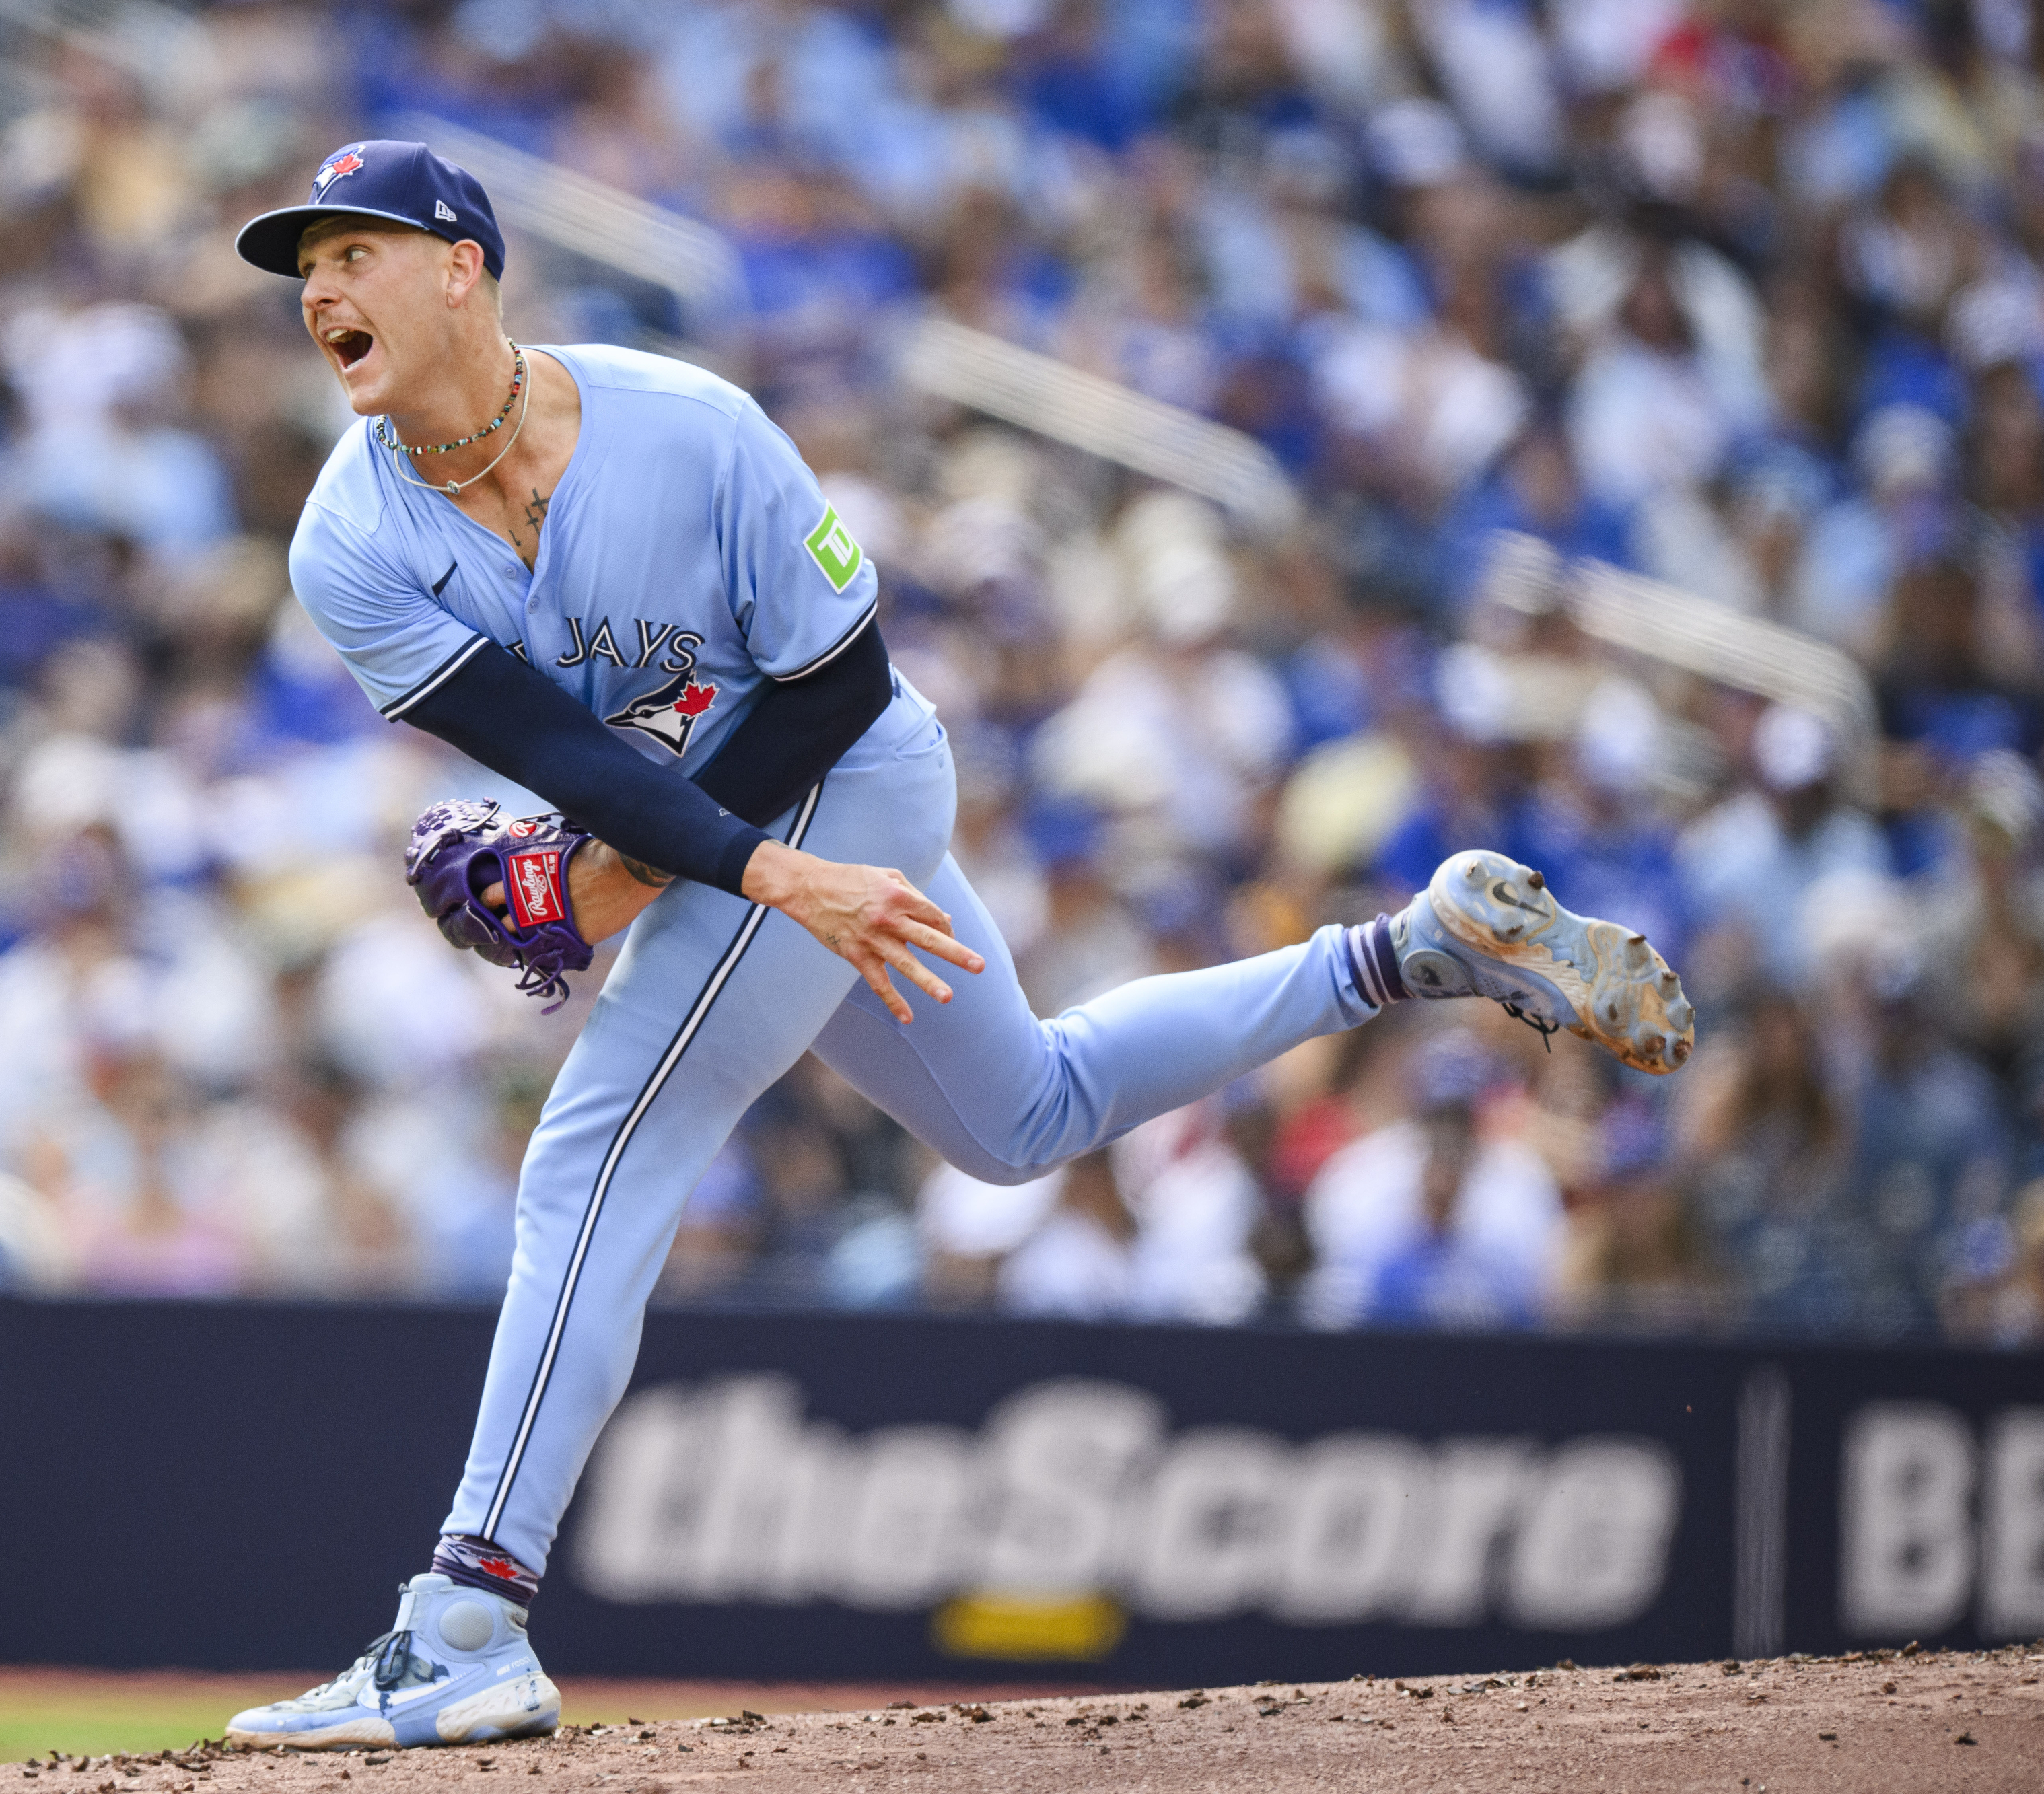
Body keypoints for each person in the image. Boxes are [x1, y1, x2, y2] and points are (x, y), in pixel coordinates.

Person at [217, 141, 1695, 1752]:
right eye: (302, 269)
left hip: (856, 772)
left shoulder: (689, 425)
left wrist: (746, 872)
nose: (317, 289)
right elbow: (569, 765)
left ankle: (465, 1620)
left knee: (592, 1156)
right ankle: (1406, 953)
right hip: (748, 836)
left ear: (461, 267)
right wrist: (679, 867)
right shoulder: (347, 540)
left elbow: (840, 685)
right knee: (1023, 1119)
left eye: (352, 252)